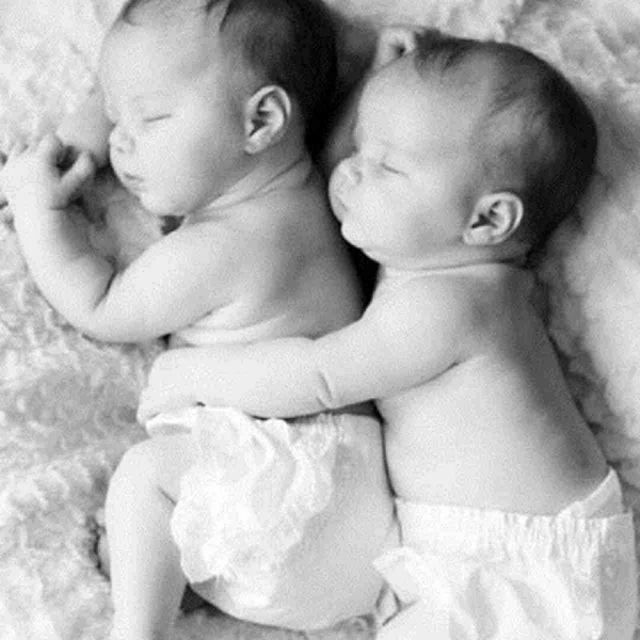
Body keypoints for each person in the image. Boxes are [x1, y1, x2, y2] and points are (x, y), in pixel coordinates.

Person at [138, 32, 639, 639]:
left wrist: (193, 376)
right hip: (499, 557)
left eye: (388, 167)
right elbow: (322, 179)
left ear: (487, 219)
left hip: (518, 568)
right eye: (360, 146)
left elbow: (320, 375)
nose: (351, 171)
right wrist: (373, 81)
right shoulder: (451, 273)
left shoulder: (447, 306)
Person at [0, 1, 397, 639]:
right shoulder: (314, 193)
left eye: (152, 118)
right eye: (115, 118)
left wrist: (37, 208)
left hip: (296, 493)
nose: (121, 142)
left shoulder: (219, 247)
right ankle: (181, 569)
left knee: (143, 480)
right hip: (358, 517)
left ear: (261, 121)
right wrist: (374, 79)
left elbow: (100, 306)